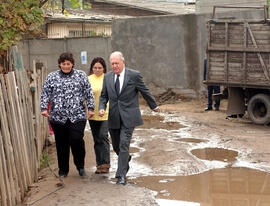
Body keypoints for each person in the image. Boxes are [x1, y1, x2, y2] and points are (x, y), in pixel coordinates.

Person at [99, 51, 159, 185]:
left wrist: (153, 105)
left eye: (117, 63)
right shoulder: (107, 77)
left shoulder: (134, 75)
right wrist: (101, 107)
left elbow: (145, 91)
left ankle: (121, 176)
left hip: (129, 116)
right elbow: (104, 96)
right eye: (112, 64)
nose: (114, 66)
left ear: (123, 62)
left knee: (124, 143)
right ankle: (126, 159)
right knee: (116, 146)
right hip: (113, 116)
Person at [40, 52, 95, 177]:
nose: (66, 66)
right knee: (61, 144)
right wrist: (44, 108)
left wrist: (91, 108)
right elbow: (45, 93)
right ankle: (63, 170)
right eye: (63, 64)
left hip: (78, 115)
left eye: (68, 64)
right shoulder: (52, 77)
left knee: (76, 140)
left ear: (72, 64)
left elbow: (88, 92)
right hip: (58, 117)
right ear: (59, 64)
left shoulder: (80, 75)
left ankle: (80, 165)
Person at [88, 57, 110, 174]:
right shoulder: (88, 79)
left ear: (104, 68)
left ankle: (106, 163)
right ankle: (99, 164)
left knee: (103, 136)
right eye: (95, 67)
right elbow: (85, 96)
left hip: (106, 113)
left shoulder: (107, 78)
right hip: (92, 114)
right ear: (92, 68)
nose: (97, 69)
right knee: (96, 139)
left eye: (100, 68)